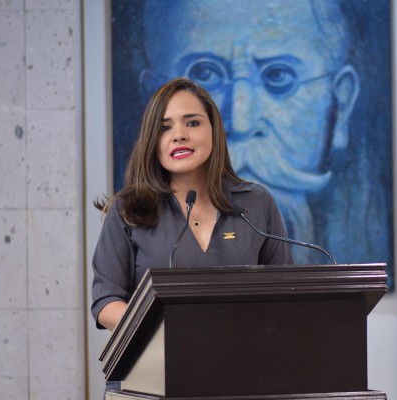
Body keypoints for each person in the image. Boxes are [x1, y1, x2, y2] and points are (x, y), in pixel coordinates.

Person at [138, 0, 364, 264]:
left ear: (340, 105)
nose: (241, 123)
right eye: (206, 74)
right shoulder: (127, 214)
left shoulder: (264, 206)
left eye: (278, 75)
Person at [91, 77, 293, 334]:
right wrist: (163, 330)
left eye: (193, 123)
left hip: (246, 352)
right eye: (164, 128)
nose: (179, 135)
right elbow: (106, 300)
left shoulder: (257, 202)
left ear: (214, 130)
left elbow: (285, 291)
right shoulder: (127, 209)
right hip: (161, 355)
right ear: (152, 140)